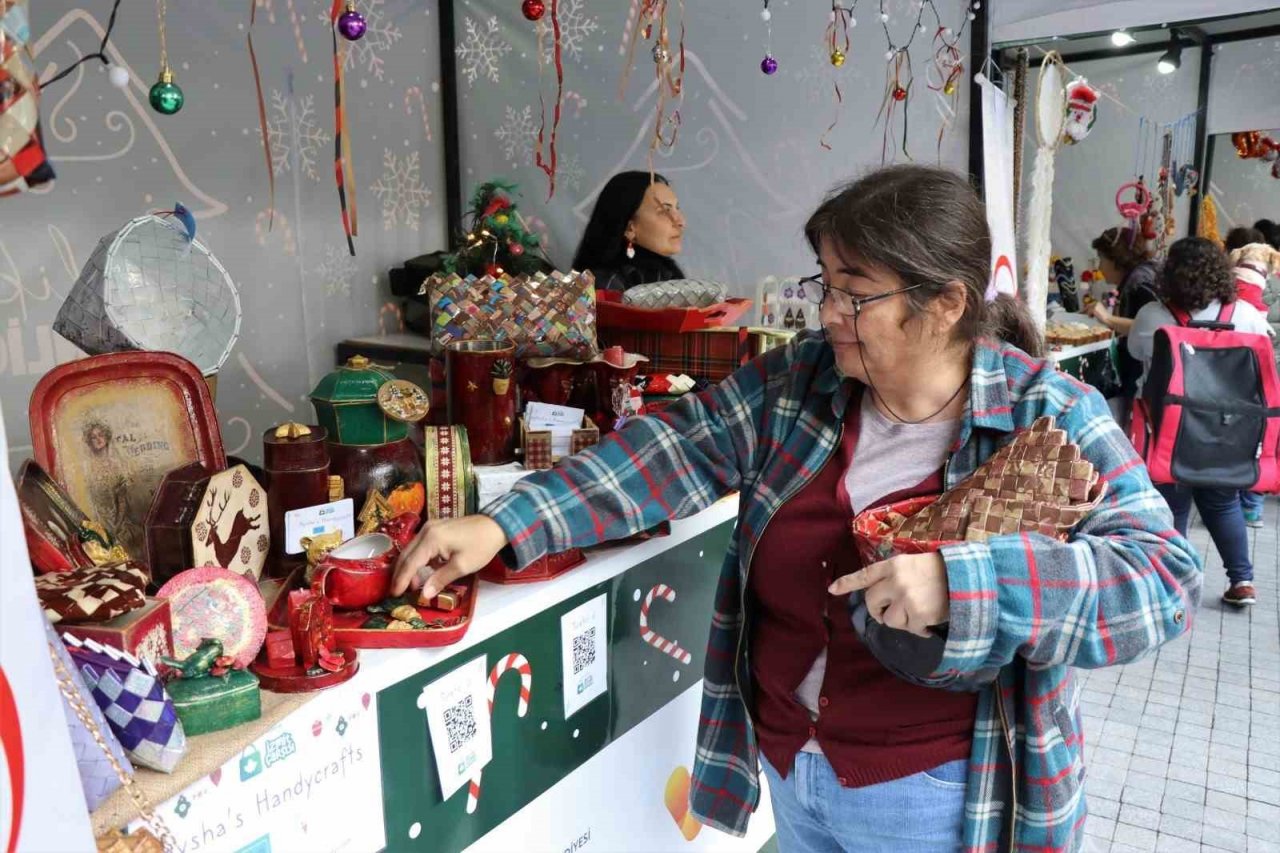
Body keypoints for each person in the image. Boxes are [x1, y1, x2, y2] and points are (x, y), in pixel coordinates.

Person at [393, 165, 1199, 852]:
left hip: (941, 792)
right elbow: (673, 448)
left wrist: (966, 586)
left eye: (856, 294)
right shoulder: (800, 382)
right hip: (792, 768)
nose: (826, 313)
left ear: (947, 303)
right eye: (825, 283)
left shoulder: (1045, 413)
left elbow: (1163, 579)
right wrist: (506, 521)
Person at [1129, 236, 1270, 607]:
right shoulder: (1246, 314)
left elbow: (1136, 352)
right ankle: (1242, 581)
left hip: (1171, 428)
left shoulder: (1153, 315)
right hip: (1227, 428)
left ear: (1170, 274)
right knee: (1223, 503)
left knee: (1173, 505)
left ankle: (1174, 584)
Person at [1086, 226, 1159, 423]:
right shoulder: (1146, 273)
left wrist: (1107, 318)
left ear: (1116, 259)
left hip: (1142, 378)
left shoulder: (1139, 282)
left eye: (1102, 259)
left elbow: (1148, 327)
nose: (1100, 267)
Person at [571, 171, 686, 292]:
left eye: (677, 208)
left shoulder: (668, 277)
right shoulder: (602, 285)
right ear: (629, 228)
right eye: (665, 211)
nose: (681, 222)